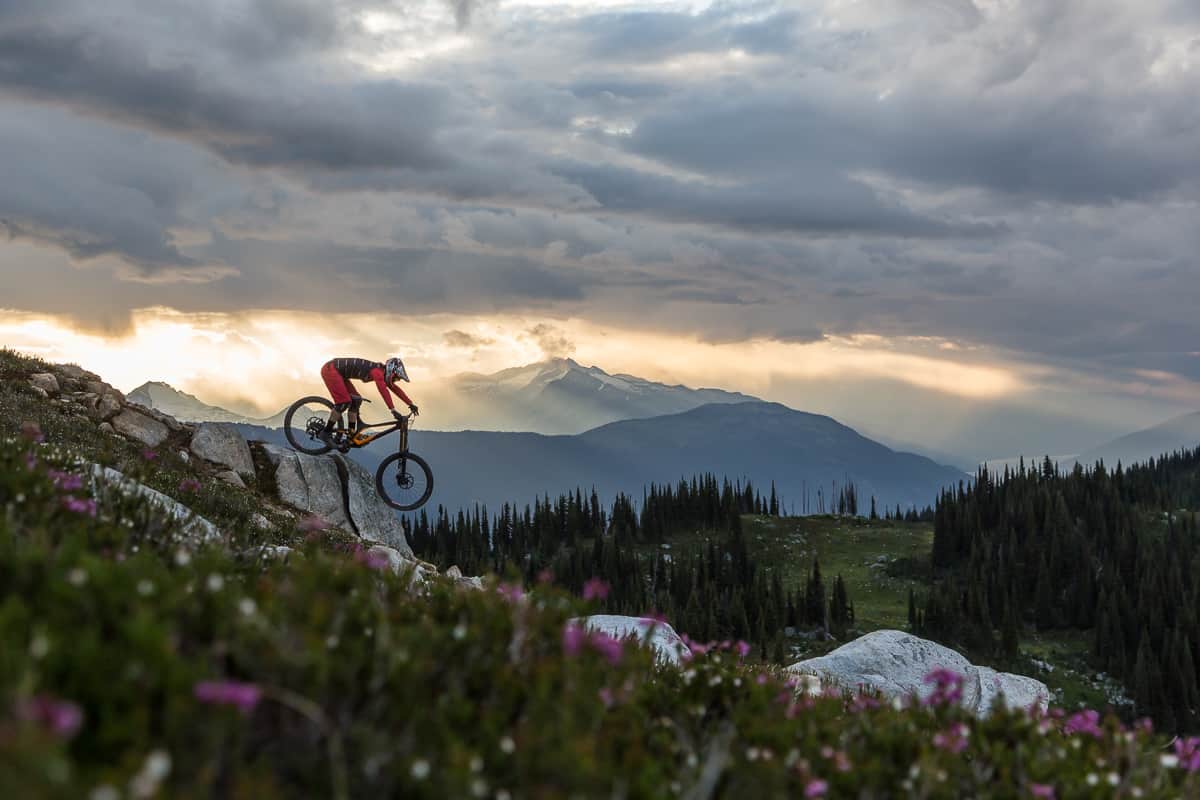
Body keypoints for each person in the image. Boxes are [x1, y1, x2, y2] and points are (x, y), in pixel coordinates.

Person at [319, 356, 418, 444]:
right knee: (344, 402)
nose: (396, 381)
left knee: (356, 400)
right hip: (330, 370)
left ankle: (351, 433)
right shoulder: (377, 372)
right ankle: (326, 432)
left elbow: (394, 389)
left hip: (340, 374)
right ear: (391, 371)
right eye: (396, 378)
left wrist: (410, 404)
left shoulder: (381, 372)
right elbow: (383, 390)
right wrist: (392, 410)